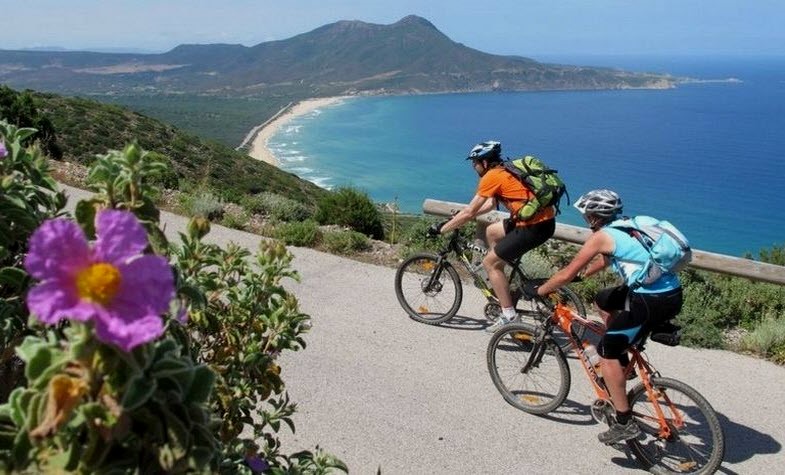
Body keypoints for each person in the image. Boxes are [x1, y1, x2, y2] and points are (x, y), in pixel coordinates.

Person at [527, 189, 683, 445]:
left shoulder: (601, 237)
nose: (585, 218)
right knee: (604, 300)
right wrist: (584, 276)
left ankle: (624, 422)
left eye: (586, 213)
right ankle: (625, 355)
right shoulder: (632, 226)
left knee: (606, 351)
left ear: (594, 217)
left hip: (647, 301)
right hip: (672, 295)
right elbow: (607, 260)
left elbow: (565, 274)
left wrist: (540, 290)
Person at [427, 140, 556, 332]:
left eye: (475, 163)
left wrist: (442, 228)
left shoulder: (491, 177)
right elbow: (489, 205)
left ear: (485, 162)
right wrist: (461, 214)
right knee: (492, 231)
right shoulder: (505, 170)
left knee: (490, 263)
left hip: (533, 226)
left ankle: (509, 316)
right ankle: (502, 281)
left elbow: (471, 212)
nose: (473, 167)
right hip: (542, 221)